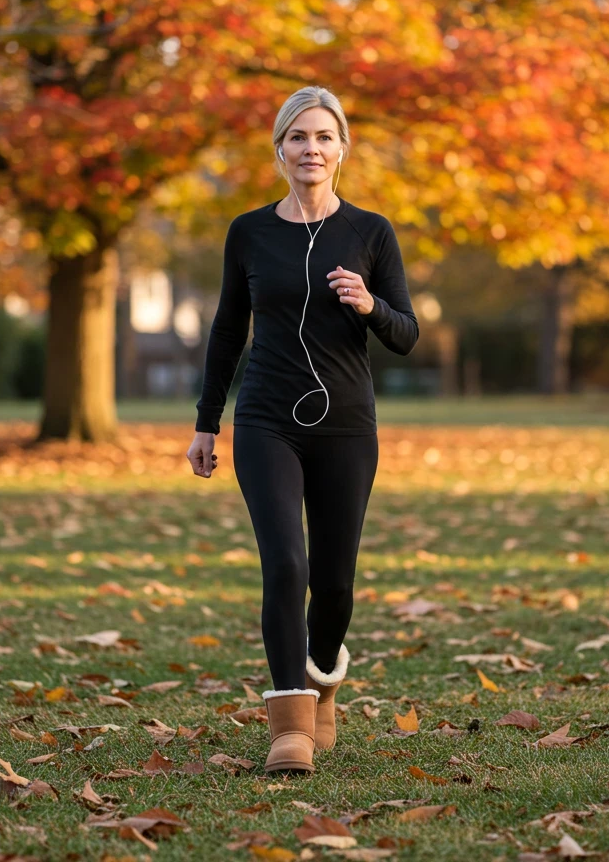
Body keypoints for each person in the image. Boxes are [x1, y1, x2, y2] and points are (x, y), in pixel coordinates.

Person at [185, 86, 419, 773]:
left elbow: (406, 334)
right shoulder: (249, 231)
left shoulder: (371, 232)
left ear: (342, 148)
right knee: (286, 563)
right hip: (266, 420)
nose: (310, 149)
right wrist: (207, 424)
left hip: (347, 426)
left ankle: (322, 682)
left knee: (336, 584)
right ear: (279, 150)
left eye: (323, 137)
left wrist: (369, 303)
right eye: (297, 137)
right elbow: (229, 330)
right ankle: (289, 721)